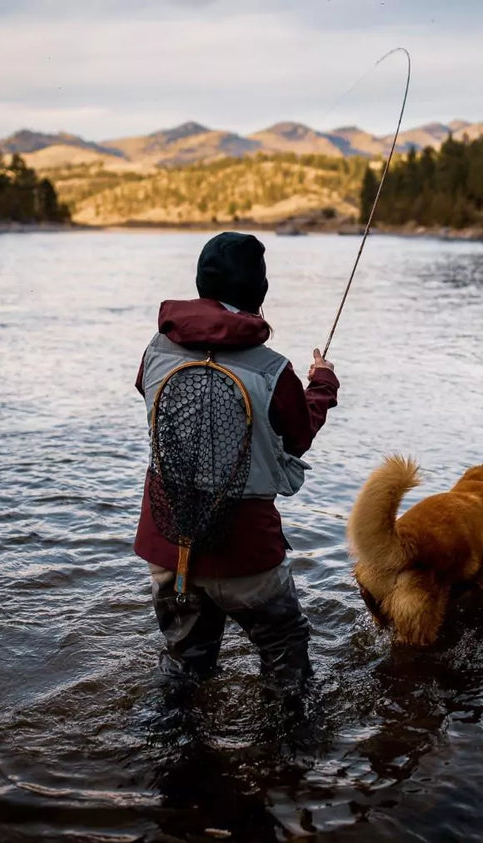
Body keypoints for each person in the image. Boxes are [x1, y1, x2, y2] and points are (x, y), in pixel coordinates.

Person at [134, 231, 340, 693]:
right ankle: (290, 760)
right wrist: (323, 384)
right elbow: (299, 436)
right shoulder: (274, 368)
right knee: (287, 659)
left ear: (201, 283)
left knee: (186, 669)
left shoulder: (154, 350)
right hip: (245, 550)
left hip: (169, 545)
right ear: (259, 292)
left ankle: (164, 756)